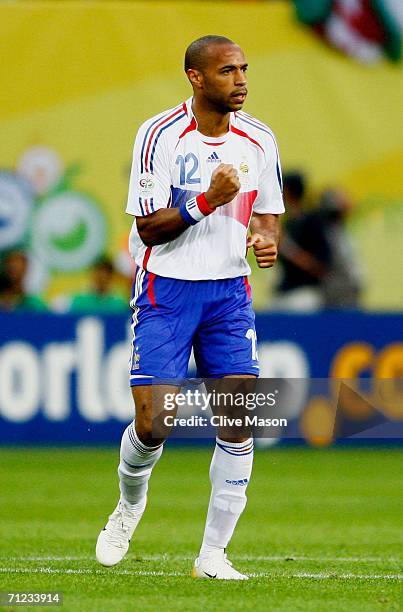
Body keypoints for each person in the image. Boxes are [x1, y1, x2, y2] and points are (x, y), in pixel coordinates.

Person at [96, 35, 284, 580]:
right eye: (228, 71)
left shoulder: (261, 140)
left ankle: (212, 556)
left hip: (228, 291)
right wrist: (207, 200)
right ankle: (130, 504)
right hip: (167, 288)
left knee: (238, 418)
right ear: (196, 78)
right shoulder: (159, 135)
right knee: (155, 423)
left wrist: (265, 239)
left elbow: (268, 213)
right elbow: (148, 227)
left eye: (245, 69)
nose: (242, 80)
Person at [272, 171, 331, 311]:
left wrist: (286, 247)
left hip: (304, 293)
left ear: (289, 191)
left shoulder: (312, 222)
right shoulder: (288, 222)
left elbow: (320, 266)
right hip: (283, 292)